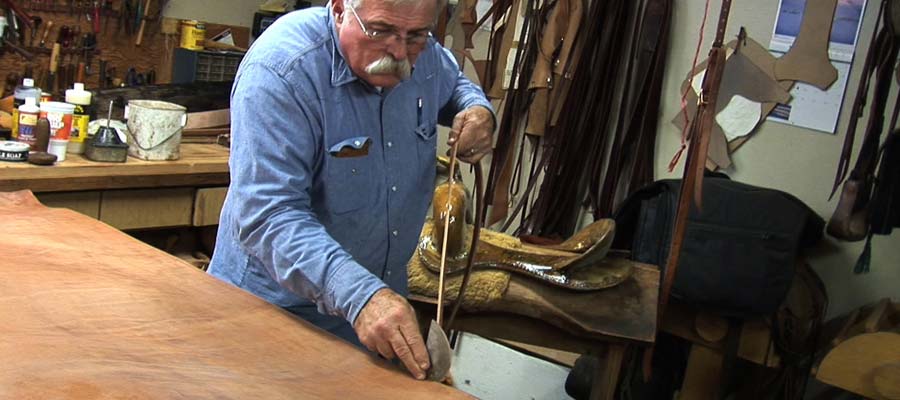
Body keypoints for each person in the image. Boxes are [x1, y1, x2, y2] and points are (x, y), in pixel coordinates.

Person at [207, 0, 495, 381]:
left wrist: (477, 109)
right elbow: (268, 214)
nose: (397, 52)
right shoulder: (283, 69)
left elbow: (452, 80)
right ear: (341, 8)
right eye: (381, 31)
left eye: (416, 36)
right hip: (270, 315)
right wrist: (361, 296)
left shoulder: (420, 53)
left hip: (370, 316)